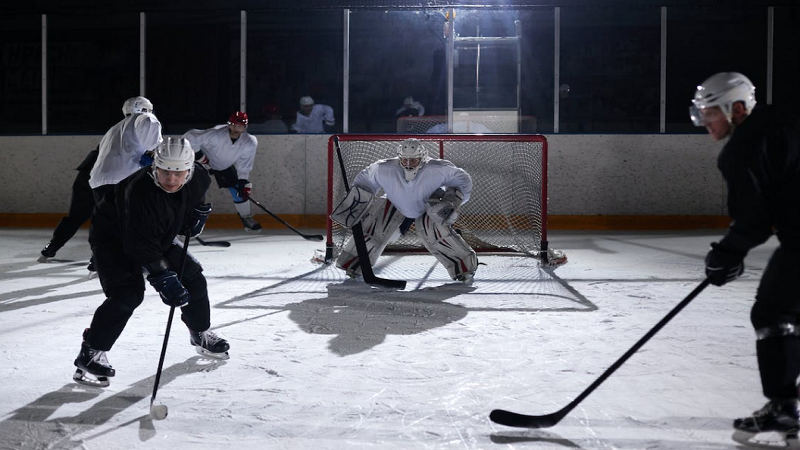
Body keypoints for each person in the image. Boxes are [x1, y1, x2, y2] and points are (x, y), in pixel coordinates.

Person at [690, 72, 800, 439]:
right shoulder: (781, 120)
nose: (705, 121)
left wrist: (726, 255)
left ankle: (784, 408)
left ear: (736, 108)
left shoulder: (744, 147)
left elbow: (755, 219)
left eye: (711, 112)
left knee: (772, 312)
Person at [73, 137, 229, 387]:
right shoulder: (138, 191)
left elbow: (187, 204)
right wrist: (163, 277)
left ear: (190, 169)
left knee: (193, 278)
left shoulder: (200, 178)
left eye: (179, 173)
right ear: (155, 166)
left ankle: (200, 332)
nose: (171, 180)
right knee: (127, 294)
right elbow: (139, 244)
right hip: (113, 237)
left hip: (155, 235)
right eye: (165, 171)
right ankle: (91, 352)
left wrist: (192, 219)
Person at [331, 138, 477, 282]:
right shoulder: (384, 168)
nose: (408, 164)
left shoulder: (438, 168)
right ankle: (353, 265)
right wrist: (358, 201)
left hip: (427, 205)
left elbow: (463, 179)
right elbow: (365, 181)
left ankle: (465, 268)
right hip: (395, 201)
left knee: (437, 235)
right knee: (372, 229)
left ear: (423, 158)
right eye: (404, 160)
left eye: (413, 160)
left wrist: (452, 199)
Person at [39, 98, 145, 264]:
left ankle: (51, 248)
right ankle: (97, 257)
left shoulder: (116, 131)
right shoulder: (132, 132)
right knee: (109, 218)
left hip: (88, 175)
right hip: (101, 179)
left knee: (79, 216)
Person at [182, 111, 262, 231]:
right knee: (198, 189)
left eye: (240, 126)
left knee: (240, 190)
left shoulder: (249, 142)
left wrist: (242, 180)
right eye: (234, 125)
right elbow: (190, 136)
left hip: (222, 166)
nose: (236, 128)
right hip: (201, 163)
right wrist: (201, 158)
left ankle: (246, 218)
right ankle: (189, 218)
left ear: (245, 127)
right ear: (229, 124)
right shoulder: (216, 134)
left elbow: (244, 164)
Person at [89, 96, 163, 203]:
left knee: (109, 218)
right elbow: (154, 148)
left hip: (99, 182)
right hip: (127, 179)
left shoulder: (112, 129)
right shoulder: (146, 117)